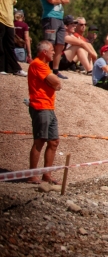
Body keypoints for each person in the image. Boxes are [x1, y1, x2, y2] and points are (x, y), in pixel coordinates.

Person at [27, 40, 63, 184]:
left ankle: (46, 174)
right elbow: (55, 81)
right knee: (40, 140)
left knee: (54, 141)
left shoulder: (45, 67)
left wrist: (55, 83)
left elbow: (56, 82)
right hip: (40, 106)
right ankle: (32, 174)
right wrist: (55, 83)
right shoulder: (37, 64)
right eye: (52, 50)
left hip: (49, 106)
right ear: (44, 52)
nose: (54, 52)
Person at [38, 0, 70, 79]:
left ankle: (55, 69)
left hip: (60, 18)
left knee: (60, 45)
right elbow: (51, 0)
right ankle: (44, 68)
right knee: (49, 43)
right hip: (50, 17)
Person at [0, 0, 25, 76]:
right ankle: (1, 68)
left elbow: (13, 3)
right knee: (0, 45)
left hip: (9, 20)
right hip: (0, 19)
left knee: (10, 45)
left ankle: (13, 68)